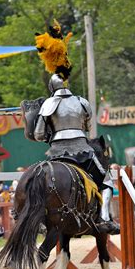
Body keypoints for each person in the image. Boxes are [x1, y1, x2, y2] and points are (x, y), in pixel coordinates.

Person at [33, 73, 119, 235]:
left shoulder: (48, 104)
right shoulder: (81, 102)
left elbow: (38, 135)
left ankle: (40, 220)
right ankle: (104, 219)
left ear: (52, 87)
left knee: (42, 182)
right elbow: (87, 126)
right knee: (106, 180)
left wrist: (50, 131)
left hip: (57, 151)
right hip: (82, 150)